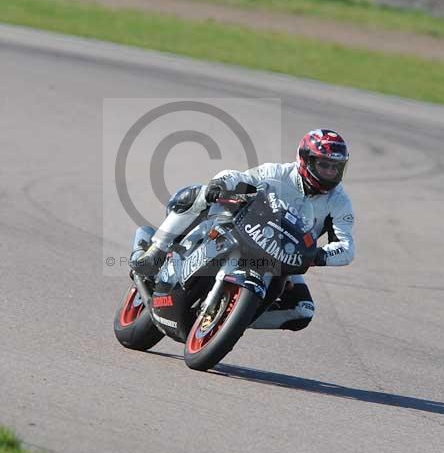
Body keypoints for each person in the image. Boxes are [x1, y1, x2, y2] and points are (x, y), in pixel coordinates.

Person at [130, 129, 355, 331]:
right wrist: (221, 184)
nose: (330, 172)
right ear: (306, 160)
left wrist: (316, 256)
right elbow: (238, 177)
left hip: (283, 256)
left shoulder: (340, 202)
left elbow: (346, 248)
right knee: (196, 194)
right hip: (247, 230)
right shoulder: (276, 173)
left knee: (302, 310)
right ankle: (154, 252)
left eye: (336, 167)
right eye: (324, 165)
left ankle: (232, 319)